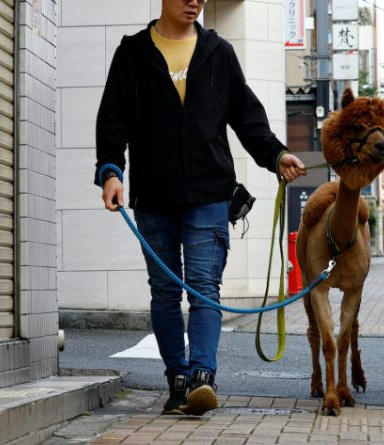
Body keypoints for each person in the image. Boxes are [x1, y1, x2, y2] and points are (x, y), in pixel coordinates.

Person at [95, 0, 306, 416]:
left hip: (211, 194)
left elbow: (247, 117)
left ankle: (201, 377)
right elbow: (112, 120)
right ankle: (177, 378)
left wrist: (276, 155)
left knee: (205, 289)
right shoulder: (132, 52)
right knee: (166, 292)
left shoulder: (218, 52)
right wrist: (110, 172)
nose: (196, 1)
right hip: (153, 198)